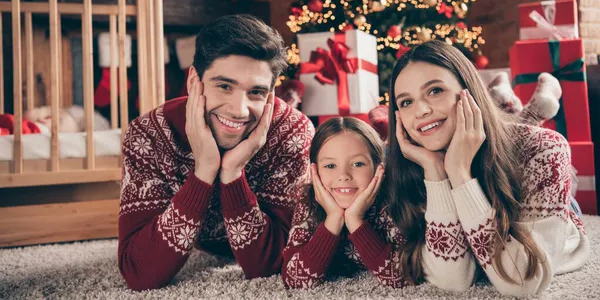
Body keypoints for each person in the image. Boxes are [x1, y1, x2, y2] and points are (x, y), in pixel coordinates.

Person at [118, 15, 314, 291]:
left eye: (256, 92)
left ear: (271, 94)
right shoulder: (148, 134)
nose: (239, 110)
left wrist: (233, 174)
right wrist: (204, 171)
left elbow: (269, 266)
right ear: (194, 81)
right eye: (224, 86)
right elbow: (140, 273)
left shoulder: (293, 132)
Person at [386, 40, 590, 296]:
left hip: (535, 198)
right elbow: (454, 281)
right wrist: (436, 173)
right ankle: (508, 100)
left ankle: (524, 106)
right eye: (405, 102)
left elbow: (523, 282)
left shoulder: (545, 148)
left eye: (435, 91)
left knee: (511, 133)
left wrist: (459, 173)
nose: (421, 110)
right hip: (484, 146)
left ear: (468, 90)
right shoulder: (402, 164)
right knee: (501, 121)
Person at [281, 117, 475, 290]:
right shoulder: (310, 200)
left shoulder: (391, 202)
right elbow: (295, 280)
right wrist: (333, 219)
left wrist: (356, 221)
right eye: (330, 166)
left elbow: (404, 278)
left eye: (358, 164)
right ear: (314, 171)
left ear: (378, 169)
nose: (343, 176)